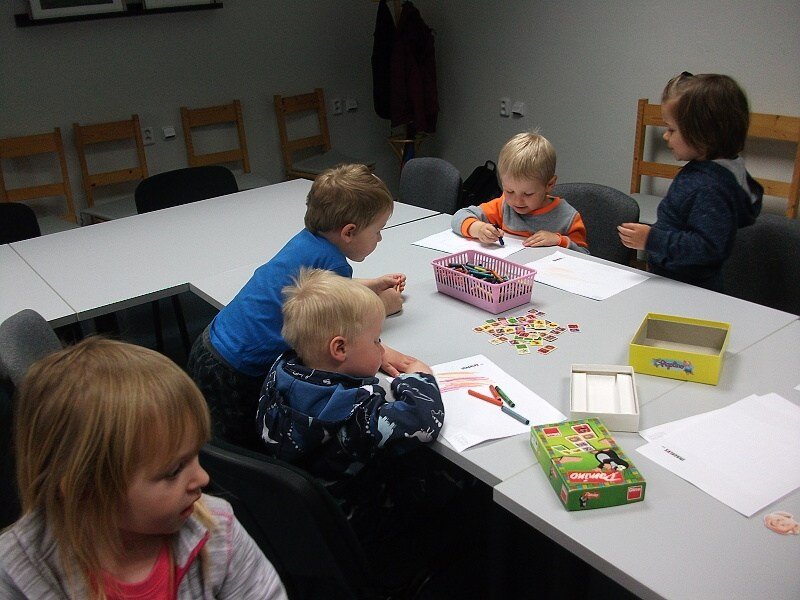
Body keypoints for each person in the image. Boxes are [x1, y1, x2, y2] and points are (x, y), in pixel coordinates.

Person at [0, 338, 286, 599]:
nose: (202, 478)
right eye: (173, 471)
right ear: (85, 490)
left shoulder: (217, 530)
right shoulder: (15, 573)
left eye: (195, 456)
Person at [188, 164, 423, 449]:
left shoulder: (307, 242)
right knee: (242, 448)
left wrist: (371, 284)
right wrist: (385, 304)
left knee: (213, 436)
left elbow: (321, 287)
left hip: (210, 347)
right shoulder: (334, 263)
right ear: (349, 232)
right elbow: (340, 330)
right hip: (237, 373)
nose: (380, 238)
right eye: (378, 231)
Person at [256, 268, 465, 538]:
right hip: (356, 519)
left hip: (302, 504)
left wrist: (368, 352)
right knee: (458, 481)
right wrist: (419, 378)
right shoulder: (357, 413)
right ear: (340, 349)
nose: (382, 348)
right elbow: (422, 421)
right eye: (376, 340)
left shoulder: (280, 369)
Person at [618, 72, 763, 291]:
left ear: (703, 135)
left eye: (672, 130)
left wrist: (652, 239)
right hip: (676, 280)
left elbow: (706, 248)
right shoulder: (722, 170)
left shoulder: (710, 187)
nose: (666, 136)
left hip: (688, 289)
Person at [451, 131, 589, 253]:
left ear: (549, 185)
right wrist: (479, 229)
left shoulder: (568, 218)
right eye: (509, 191)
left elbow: (584, 255)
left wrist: (559, 241)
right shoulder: (504, 206)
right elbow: (459, 216)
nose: (517, 201)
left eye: (528, 194)